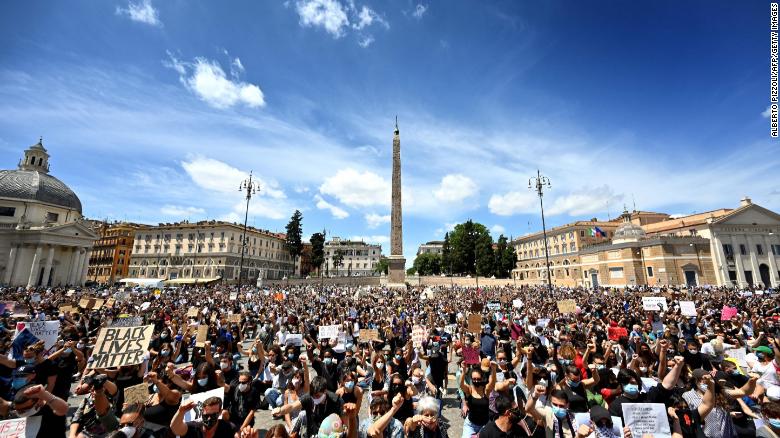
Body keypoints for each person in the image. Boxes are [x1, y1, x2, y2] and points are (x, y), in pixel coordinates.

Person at [271, 375, 345, 436]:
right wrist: (280, 410)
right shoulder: (309, 397)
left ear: (325, 391)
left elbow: (345, 423)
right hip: (313, 433)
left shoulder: (336, 401)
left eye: (317, 396)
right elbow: (292, 406)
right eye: (313, 395)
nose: (314, 398)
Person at [460, 360, 497, 438]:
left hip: (485, 425)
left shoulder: (485, 390)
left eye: (478, 379)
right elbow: (461, 385)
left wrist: (493, 369)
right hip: (470, 425)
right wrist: (463, 371)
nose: (476, 381)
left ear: (482, 378)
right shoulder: (469, 390)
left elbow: (492, 383)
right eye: (474, 379)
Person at [170, 397, 237, 438]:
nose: (209, 418)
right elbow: (175, 428)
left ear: (220, 412)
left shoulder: (229, 428)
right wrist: (181, 411)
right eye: (206, 415)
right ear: (201, 412)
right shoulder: (193, 427)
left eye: (213, 415)